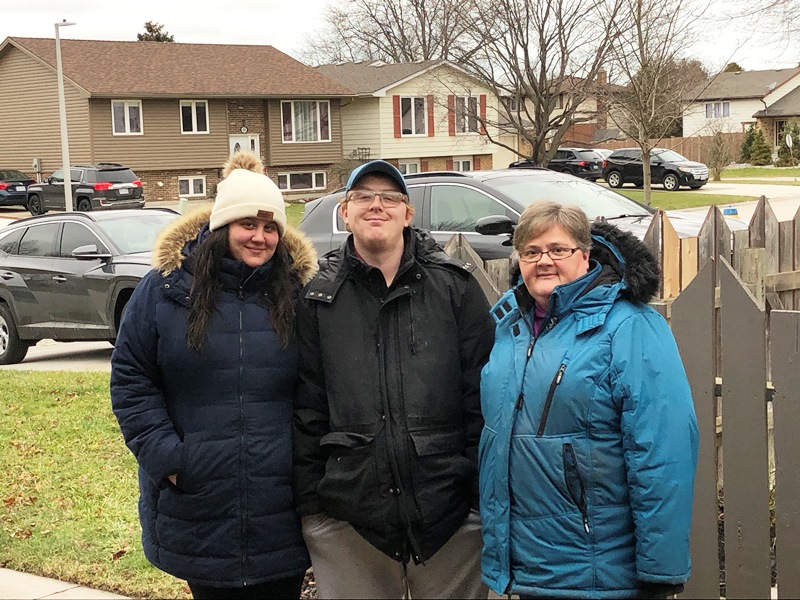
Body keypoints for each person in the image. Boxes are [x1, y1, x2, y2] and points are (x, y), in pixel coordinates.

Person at [110, 151, 316, 599]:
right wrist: (171, 460)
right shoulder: (165, 289)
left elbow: (319, 388)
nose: (259, 237)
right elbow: (131, 379)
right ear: (222, 225)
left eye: (270, 228)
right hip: (198, 498)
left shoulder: (298, 295)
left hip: (281, 501)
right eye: (248, 224)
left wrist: (307, 467)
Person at [293, 160, 494, 599]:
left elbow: (482, 397)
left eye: (389, 197)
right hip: (349, 520)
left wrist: (478, 499)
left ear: (408, 213)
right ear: (345, 213)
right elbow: (306, 406)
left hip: (451, 514)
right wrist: (313, 510)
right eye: (363, 197)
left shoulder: (454, 288)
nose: (376, 205)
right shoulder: (317, 297)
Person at [479, 200, 699, 599]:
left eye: (557, 249)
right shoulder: (511, 328)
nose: (544, 261)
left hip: (600, 571)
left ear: (585, 254)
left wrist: (660, 570)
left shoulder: (628, 326)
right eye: (531, 252)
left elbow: (663, 451)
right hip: (528, 568)